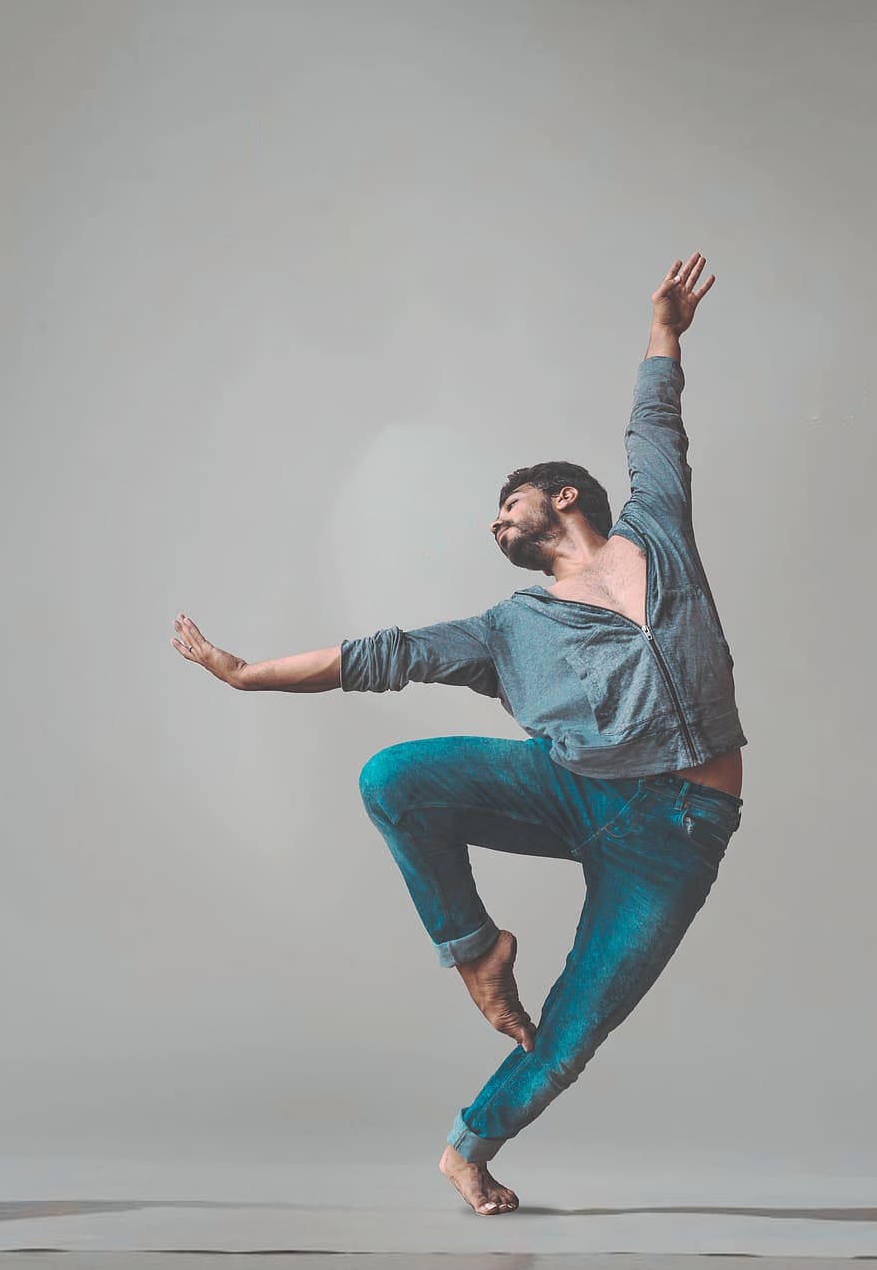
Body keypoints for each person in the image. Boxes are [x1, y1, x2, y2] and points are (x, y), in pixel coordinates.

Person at [170, 251, 747, 1217]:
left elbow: (655, 431)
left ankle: (467, 1148)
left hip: (679, 834)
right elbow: (377, 653)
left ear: (565, 496)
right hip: (575, 788)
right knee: (396, 775)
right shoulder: (506, 628)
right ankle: (475, 946)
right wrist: (241, 672)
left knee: (574, 1027)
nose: (495, 523)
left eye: (507, 505)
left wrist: (664, 333)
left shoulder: (660, 531)